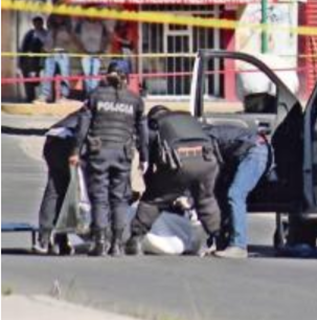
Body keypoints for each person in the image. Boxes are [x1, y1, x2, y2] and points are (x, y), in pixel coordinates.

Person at [71, 63, 147, 257]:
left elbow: (82, 126)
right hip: (123, 154)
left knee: (99, 198)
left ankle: (100, 242)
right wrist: (144, 157)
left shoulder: (95, 96)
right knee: (120, 199)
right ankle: (117, 244)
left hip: (99, 153)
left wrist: (75, 151)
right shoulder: (135, 100)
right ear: (127, 77)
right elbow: (142, 132)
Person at [126, 107, 221, 256]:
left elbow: (150, 162)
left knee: (153, 200)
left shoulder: (155, 126)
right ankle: (218, 239)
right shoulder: (191, 120)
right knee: (206, 200)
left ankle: (135, 240)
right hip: (207, 160)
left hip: (179, 161)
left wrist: (152, 189)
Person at [205, 123, 272, 258]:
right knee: (221, 194)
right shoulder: (205, 133)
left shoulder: (205, 137)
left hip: (255, 152)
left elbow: (210, 168)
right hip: (252, 150)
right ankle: (222, 243)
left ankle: (239, 246)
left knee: (235, 194)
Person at [34, 108, 83, 255]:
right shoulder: (108, 103)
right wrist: (76, 152)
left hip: (54, 140)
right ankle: (59, 238)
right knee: (71, 192)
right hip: (70, 142)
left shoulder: (96, 99)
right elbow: (83, 128)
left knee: (56, 188)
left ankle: (46, 238)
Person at [37, 15, 76, 103]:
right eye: (56, 18)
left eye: (60, 18)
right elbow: (46, 42)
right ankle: (45, 95)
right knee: (47, 75)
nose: (58, 19)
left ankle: (63, 96)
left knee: (64, 75)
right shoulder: (51, 30)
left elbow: (69, 40)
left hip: (62, 53)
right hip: (51, 53)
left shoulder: (66, 30)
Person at [76, 14, 110, 94]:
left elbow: (106, 38)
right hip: (85, 53)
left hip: (97, 53)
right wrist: (81, 49)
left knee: (95, 74)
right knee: (87, 74)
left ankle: (93, 93)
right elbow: (75, 37)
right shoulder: (81, 24)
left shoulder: (101, 25)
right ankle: (89, 93)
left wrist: (102, 50)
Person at [18, 16, 47, 102]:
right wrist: (21, 61)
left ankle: (40, 97)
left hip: (40, 61)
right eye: (36, 23)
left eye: (39, 23)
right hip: (28, 62)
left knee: (39, 79)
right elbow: (23, 47)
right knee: (28, 80)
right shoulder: (30, 34)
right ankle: (30, 98)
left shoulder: (45, 34)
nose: (37, 25)